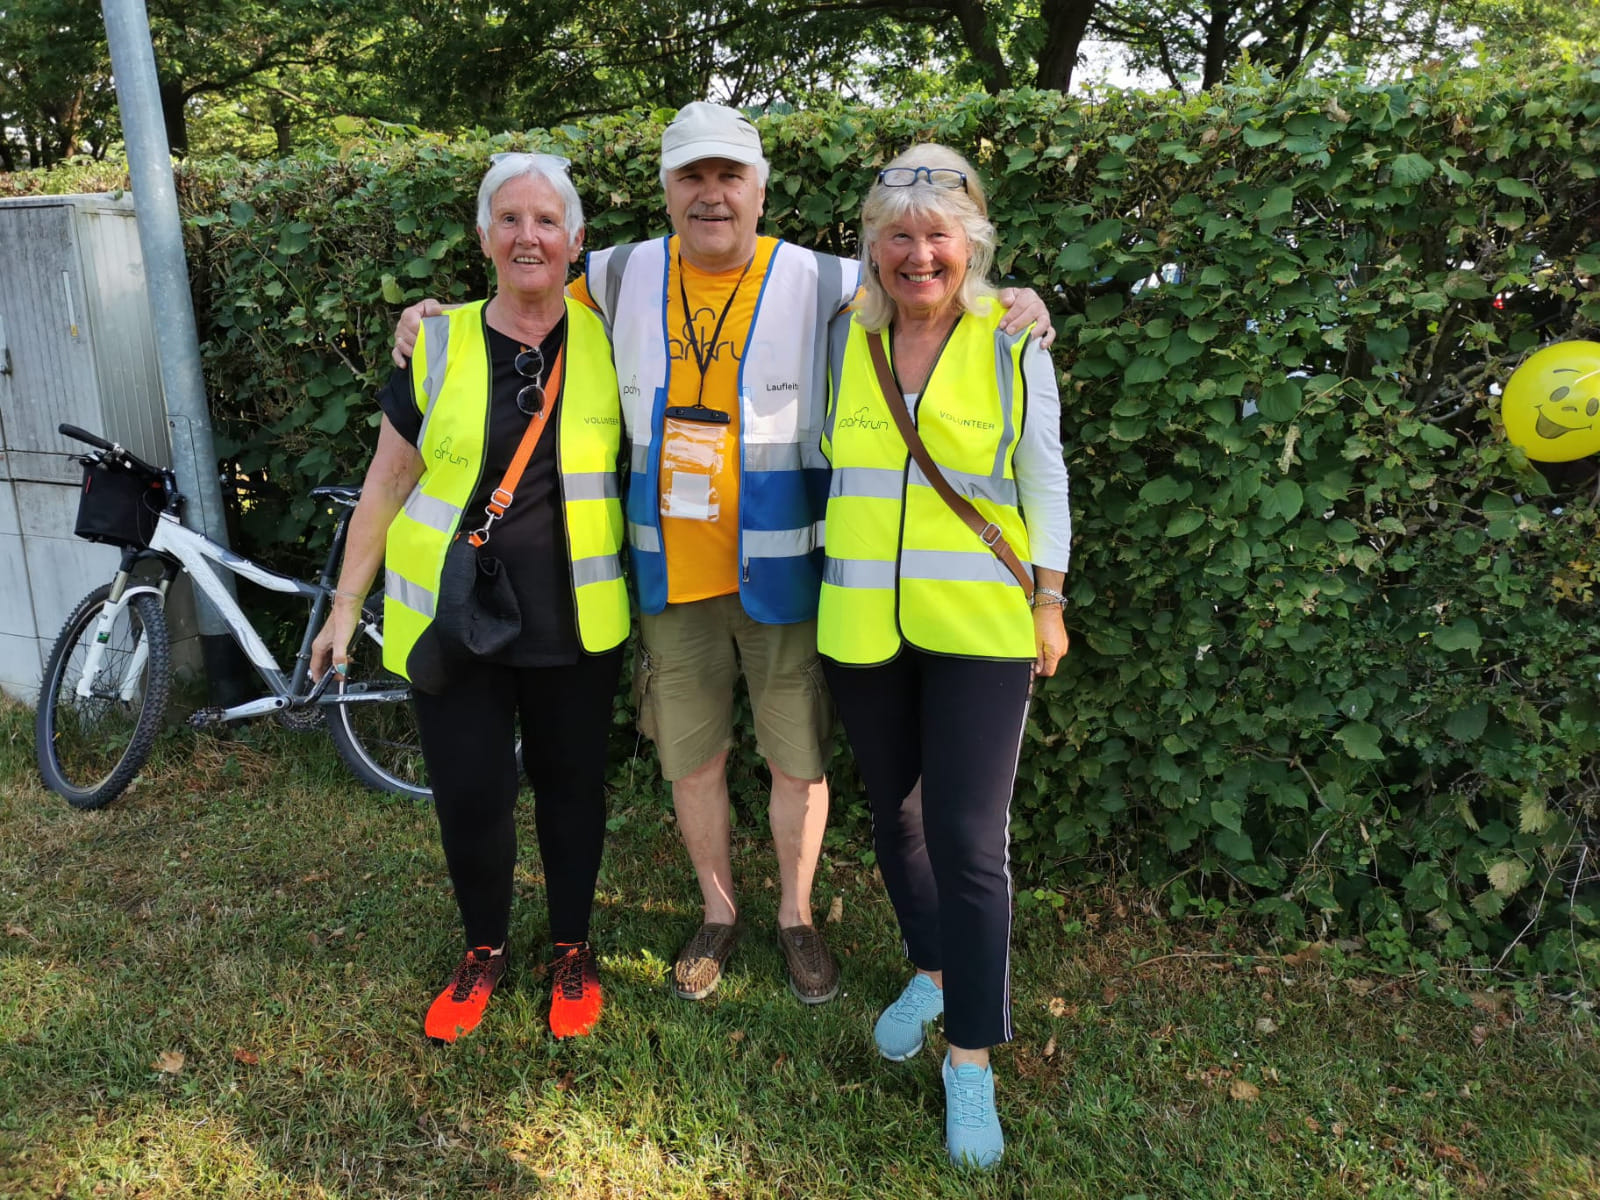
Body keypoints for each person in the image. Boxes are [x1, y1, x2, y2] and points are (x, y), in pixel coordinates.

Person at [392, 103, 1053, 1008]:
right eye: (691, 177)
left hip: (784, 577)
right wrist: (428, 317)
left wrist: (1017, 297)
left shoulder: (824, 279)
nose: (711, 196)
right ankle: (717, 908)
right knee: (692, 759)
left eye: (728, 176)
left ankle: (795, 915)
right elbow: (519, 298)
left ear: (759, 188)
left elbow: (931, 275)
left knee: (796, 762)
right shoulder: (617, 274)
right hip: (669, 580)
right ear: (666, 189)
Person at [312, 153, 630, 1045]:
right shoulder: (438, 338)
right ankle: (483, 947)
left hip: (576, 616)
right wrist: (345, 607)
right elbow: (386, 483)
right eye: (510, 219)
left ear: (575, 240)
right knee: (470, 794)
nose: (529, 235)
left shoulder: (616, 336)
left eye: (546, 220)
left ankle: (572, 947)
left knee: (572, 792)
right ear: (484, 236)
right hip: (451, 620)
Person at [817, 144, 1071, 1168]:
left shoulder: (1012, 338)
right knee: (897, 820)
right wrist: (432, 316)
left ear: (972, 247)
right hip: (861, 626)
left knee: (968, 839)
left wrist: (1049, 598)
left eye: (938, 237)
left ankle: (968, 1058)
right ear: (872, 249)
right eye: (897, 236)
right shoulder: (842, 330)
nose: (918, 256)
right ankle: (928, 972)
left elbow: (1042, 477)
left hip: (978, 628)